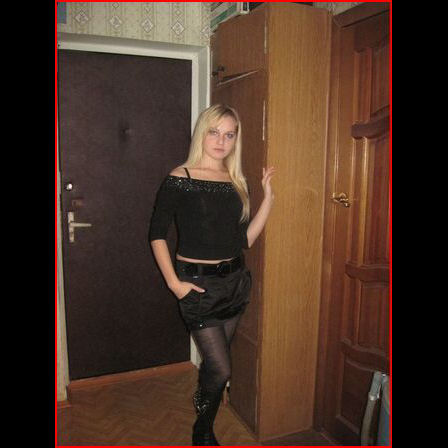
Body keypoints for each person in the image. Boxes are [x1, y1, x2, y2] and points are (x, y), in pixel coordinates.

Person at [149, 103, 274, 446]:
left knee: (215, 365)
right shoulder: (180, 178)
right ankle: (202, 431)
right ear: (201, 133)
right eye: (214, 132)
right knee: (222, 368)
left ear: (236, 140)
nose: (221, 141)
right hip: (197, 286)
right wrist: (174, 284)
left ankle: (204, 398)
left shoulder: (236, 181)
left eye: (229, 135)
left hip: (234, 283)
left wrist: (269, 199)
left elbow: (244, 240)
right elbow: (156, 234)